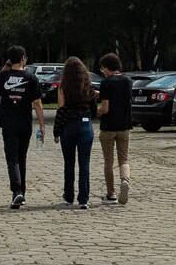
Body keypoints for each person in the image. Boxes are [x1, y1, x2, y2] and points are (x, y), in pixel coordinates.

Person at [0, 46, 46, 209]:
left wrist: (8, 65)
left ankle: (17, 191)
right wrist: (42, 125)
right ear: (23, 58)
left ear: (9, 60)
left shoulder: (3, 76)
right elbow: (37, 103)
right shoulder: (31, 78)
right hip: (25, 123)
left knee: (12, 158)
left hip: (8, 123)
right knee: (21, 157)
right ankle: (20, 192)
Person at [54, 57, 98, 210]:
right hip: (85, 125)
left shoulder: (63, 87)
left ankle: (69, 195)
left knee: (69, 162)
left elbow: (61, 110)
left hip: (68, 126)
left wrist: (56, 131)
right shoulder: (88, 86)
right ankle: (84, 198)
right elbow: (94, 109)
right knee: (84, 163)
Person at [97, 53, 133, 204]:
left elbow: (105, 108)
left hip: (108, 127)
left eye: (103, 69)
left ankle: (111, 193)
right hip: (124, 125)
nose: (102, 72)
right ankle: (125, 180)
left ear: (107, 68)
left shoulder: (106, 83)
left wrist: (97, 111)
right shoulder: (128, 81)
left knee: (108, 161)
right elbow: (118, 97)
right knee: (123, 159)